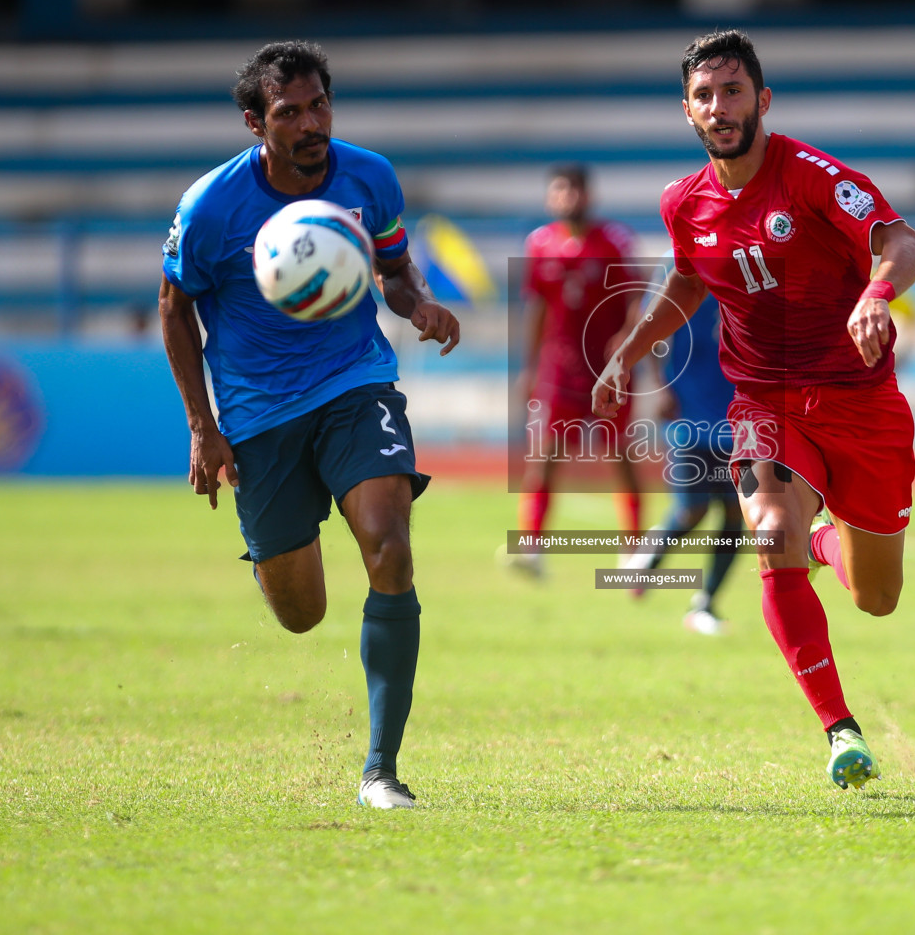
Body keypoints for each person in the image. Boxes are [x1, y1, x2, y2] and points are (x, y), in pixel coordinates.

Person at [592, 29, 915, 791]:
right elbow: (688, 280)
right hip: (766, 403)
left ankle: (822, 544)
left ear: (762, 100)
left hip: (861, 403)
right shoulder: (684, 204)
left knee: (877, 598)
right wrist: (629, 349)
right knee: (769, 531)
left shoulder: (812, 177)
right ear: (687, 111)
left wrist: (876, 296)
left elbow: (902, 242)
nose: (721, 107)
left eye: (734, 90)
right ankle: (840, 731)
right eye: (705, 95)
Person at [158, 41, 459, 810]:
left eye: (319, 104)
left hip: (356, 386)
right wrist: (203, 427)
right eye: (289, 112)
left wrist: (416, 301)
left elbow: (392, 267)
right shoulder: (212, 206)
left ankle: (381, 771)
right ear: (256, 122)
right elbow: (173, 305)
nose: (310, 122)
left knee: (390, 548)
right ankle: (275, 546)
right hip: (259, 418)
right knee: (301, 615)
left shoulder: (370, 177)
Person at [510, 164, 643, 576]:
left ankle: (634, 549)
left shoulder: (615, 242)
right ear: (552, 197)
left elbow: (637, 301)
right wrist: (529, 368)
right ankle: (530, 547)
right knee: (545, 455)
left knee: (620, 455)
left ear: (589, 195)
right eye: (560, 190)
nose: (568, 198)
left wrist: (630, 352)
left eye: (575, 190)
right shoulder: (540, 243)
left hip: (609, 369)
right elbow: (537, 309)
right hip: (559, 369)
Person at [621, 294, 743, 635]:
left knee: (737, 511)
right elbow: (643, 320)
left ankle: (705, 603)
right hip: (688, 410)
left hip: (740, 411)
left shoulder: (752, 263)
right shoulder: (682, 261)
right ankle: (648, 559)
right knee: (693, 509)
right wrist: (660, 386)